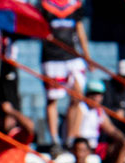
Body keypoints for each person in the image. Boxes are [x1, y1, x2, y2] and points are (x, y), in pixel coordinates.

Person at [39, 0, 91, 149]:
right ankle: (55, 139)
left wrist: (86, 55)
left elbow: (80, 28)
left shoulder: (75, 5)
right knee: (52, 99)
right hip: (52, 57)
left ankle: (71, 138)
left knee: (77, 96)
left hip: (72, 56)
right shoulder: (44, 5)